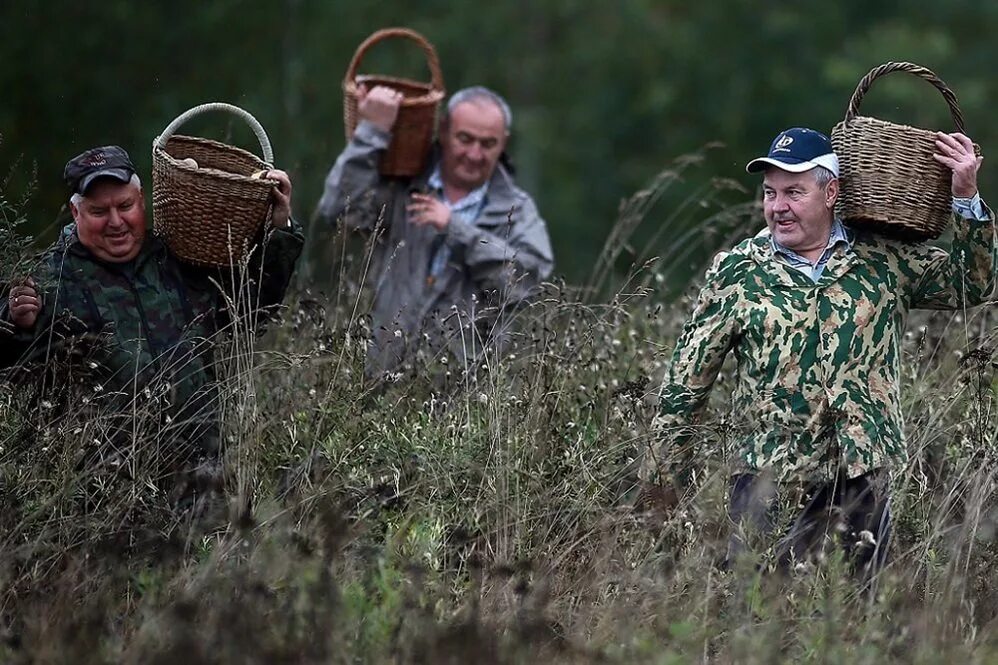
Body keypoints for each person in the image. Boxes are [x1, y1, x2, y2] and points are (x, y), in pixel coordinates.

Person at [640, 127, 995, 579]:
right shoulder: (738, 271)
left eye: (793, 192)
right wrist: (661, 478)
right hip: (767, 476)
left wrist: (965, 196)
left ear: (831, 192)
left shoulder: (882, 260)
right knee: (755, 615)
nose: (777, 207)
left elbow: (972, 283)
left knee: (859, 612)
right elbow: (685, 382)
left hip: (860, 475)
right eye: (769, 193)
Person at [1, 145, 303, 501]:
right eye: (99, 211)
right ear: (75, 212)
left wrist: (279, 228)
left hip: (204, 478)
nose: (115, 222)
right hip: (107, 494)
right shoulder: (50, 279)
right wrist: (13, 320)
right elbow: (16, 372)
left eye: (125, 206)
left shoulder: (177, 258)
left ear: (142, 200)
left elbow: (251, 312)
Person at [316, 85, 554, 378]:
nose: (475, 154)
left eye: (488, 144)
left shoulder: (517, 209)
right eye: (465, 139)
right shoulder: (402, 187)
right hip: (376, 378)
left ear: (503, 143)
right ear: (443, 132)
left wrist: (456, 230)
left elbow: (527, 283)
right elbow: (337, 212)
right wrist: (371, 134)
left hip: (465, 399)